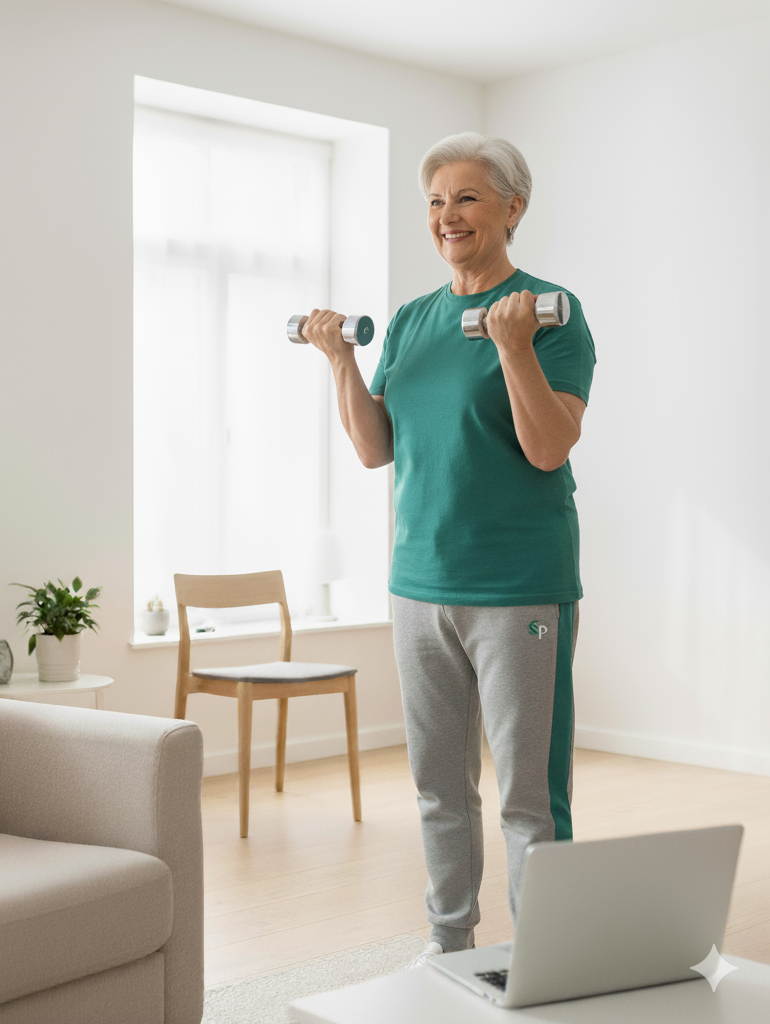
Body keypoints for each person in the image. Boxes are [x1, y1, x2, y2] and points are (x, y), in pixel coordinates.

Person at [301, 132, 595, 956]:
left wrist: (512, 349)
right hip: (418, 586)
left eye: (466, 198)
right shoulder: (412, 321)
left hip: (520, 588)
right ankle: (448, 945)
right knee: (438, 788)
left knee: (530, 798)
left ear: (512, 208)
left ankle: (548, 959)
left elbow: (548, 447)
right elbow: (374, 446)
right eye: (435, 202)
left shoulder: (549, 313)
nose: (447, 216)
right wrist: (339, 361)